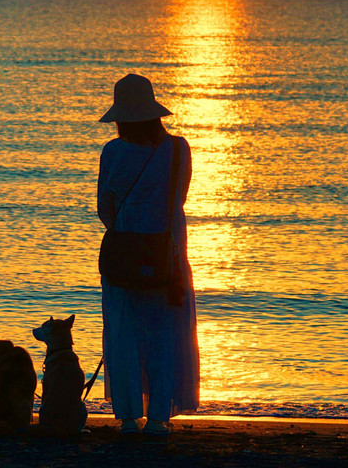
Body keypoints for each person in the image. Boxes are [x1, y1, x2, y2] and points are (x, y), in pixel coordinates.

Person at [96, 73, 199, 436]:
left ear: (121, 116)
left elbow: (104, 210)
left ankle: (126, 417)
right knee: (164, 335)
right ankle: (158, 417)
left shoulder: (112, 151)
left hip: (123, 255)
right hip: (166, 254)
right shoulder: (178, 149)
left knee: (124, 334)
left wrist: (128, 227)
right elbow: (178, 200)